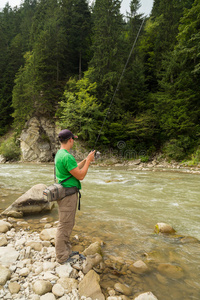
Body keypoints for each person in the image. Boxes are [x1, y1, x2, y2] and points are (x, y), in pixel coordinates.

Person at [55, 129, 95, 264]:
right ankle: (62, 256)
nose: (74, 142)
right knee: (65, 224)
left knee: (67, 223)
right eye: (73, 139)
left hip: (65, 194)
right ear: (70, 140)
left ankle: (65, 251)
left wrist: (84, 160)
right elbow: (81, 176)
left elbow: (73, 170)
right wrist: (89, 161)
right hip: (67, 195)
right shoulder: (66, 156)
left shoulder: (60, 154)